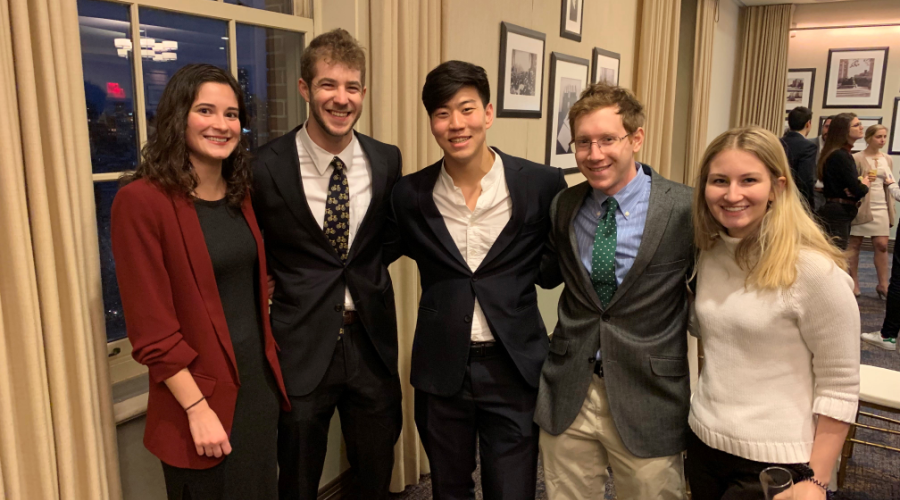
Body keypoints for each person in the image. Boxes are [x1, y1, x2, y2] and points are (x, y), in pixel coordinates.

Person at [385, 60, 567, 499]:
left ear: (487, 113)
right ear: (431, 122)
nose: (456, 124)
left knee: (513, 489)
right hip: (441, 366)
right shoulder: (409, 195)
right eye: (442, 113)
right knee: (449, 488)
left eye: (466, 109)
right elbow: (372, 256)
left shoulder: (540, 184)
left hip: (514, 365)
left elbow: (555, 263)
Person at [111, 63, 290, 500]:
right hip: (200, 401)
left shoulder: (238, 193)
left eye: (231, 114)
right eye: (205, 110)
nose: (221, 124)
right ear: (178, 117)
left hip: (257, 391)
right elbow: (152, 332)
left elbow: (233, 282)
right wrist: (196, 408)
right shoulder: (140, 201)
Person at [251, 29, 403, 499]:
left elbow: (387, 238)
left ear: (362, 91)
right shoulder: (263, 166)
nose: (341, 98)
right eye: (328, 85)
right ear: (304, 88)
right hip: (300, 345)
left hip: (371, 344)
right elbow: (254, 245)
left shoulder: (386, 159)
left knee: (374, 472)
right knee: (297, 479)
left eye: (352, 86)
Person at [534, 83, 693, 500]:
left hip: (649, 395)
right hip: (571, 388)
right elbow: (549, 273)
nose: (595, 153)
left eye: (608, 139)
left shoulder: (684, 209)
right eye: (583, 142)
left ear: (636, 138)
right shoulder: (565, 205)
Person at [686, 126, 860, 500]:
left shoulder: (814, 271)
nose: (732, 194)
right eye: (720, 180)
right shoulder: (710, 253)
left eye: (749, 180)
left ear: (777, 188)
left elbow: (840, 385)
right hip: (704, 444)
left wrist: (817, 480)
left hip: (776, 465)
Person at [848, 124, 894, 299]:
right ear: (868, 138)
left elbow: (889, 183)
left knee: (882, 245)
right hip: (862, 205)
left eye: (884, 137)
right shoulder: (856, 158)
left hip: (881, 204)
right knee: (855, 244)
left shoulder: (887, 159)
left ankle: (883, 284)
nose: (882, 140)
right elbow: (854, 182)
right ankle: (854, 282)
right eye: (878, 137)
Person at [815, 113, 869, 250]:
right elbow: (857, 190)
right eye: (856, 125)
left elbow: (852, 189)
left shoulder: (839, 153)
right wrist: (865, 184)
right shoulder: (840, 155)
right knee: (837, 255)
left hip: (839, 211)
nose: (861, 127)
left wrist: (854, 188)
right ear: (844, 130)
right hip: (838, 212)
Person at [781, 106, 817, 209]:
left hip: (778, 195)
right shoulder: (808, 146)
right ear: (808, 123)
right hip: (796, 200)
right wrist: (810, 206)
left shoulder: (778, 142)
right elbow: (806, 178)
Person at [811, 116, 832, 211]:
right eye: (826, 126)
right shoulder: (809, 144)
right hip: (810, 196)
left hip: (829, 199)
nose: (828, 130)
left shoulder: (840, 149)